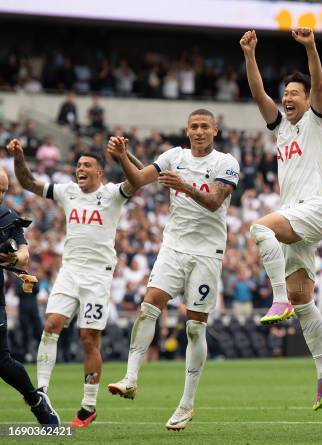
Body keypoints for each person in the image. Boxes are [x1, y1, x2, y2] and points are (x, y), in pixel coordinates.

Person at [106, 108, 240, 431]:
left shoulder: (225, 163)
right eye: (193, 126)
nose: (198, 131)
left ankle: (187, 403)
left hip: (207, 253)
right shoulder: (173, 156)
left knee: (195, 328)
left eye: (204, 126)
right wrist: (124, 158)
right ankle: (130, 377)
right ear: (187, 130)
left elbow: (215, 203)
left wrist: (185, 186)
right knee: (149, 304)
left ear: (215, 130)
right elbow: (138, 180)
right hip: (174, 246)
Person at [8, 138, 141, 428]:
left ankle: (88, 406)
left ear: (99, 173)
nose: (80, 168)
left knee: (88, 339)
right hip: (70, 270)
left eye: (87, 165)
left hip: (97, 275)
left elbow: (137, 181)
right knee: (51, 325)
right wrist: (19, 155)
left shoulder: (112, 194)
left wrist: (123, 157)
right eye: (78, 165)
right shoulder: (67, 192)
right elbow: (29, 182)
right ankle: (41, 390)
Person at [240, 28, 322, 410]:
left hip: (312, 208)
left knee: (259, 227)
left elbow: (317, 82)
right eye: (285, 95)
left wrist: (311, 47)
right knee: (304, 301)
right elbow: (257, 94)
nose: (287, 98)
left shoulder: (316, 121)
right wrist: (250, 54)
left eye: (293, 94)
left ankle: (276, 299)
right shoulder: (281, 127)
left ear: (306, 99)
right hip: (295, 215)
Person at [0, 166, 60, 425]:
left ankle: (35, 400)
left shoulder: (7, 216)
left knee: (1, 361)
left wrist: (14, 257)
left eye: (3, 190)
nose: (0, 195)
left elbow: (24, 252)